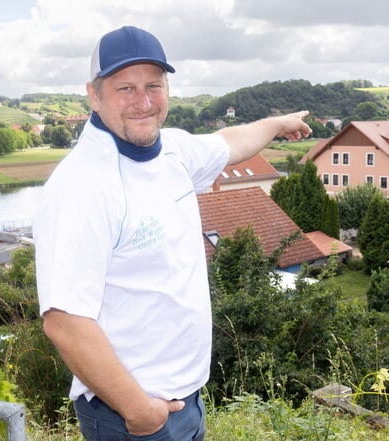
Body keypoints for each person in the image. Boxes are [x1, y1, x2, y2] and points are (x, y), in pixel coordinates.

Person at [34, 25, 311, 441]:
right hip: (132, 417)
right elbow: (64, 322)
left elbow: (229, 143)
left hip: (185, 401)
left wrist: (277, 123)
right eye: (125, 88)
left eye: (154, 85)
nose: (143, 102)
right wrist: (140, 411)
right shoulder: (82, 186)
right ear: (94, 94)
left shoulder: (173, 151)